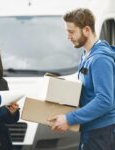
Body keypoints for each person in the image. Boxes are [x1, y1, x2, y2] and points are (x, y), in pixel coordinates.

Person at [48, 8, 115, 150]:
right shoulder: (87, 54)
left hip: (101, 133)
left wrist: (69, 118)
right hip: (91, 129)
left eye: (71, 32)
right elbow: (88, 92)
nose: (68, 37)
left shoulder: (100, 59)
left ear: (86, 30)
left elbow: (105, 101)